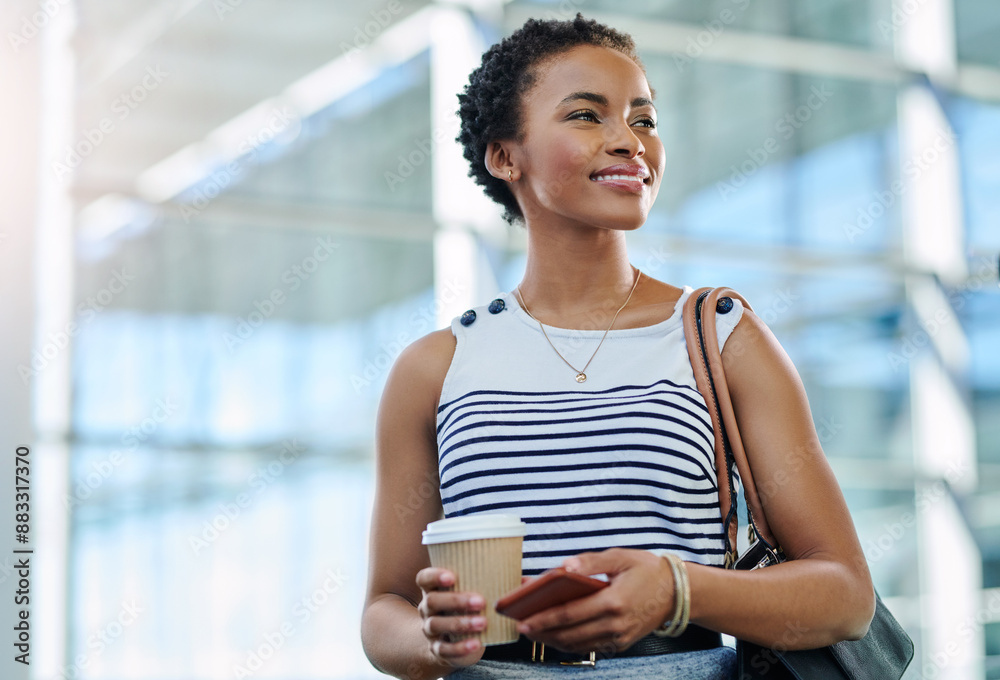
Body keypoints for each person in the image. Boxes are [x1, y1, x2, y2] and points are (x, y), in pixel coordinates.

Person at [361, 12, 875, 680]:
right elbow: (384, 609)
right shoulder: (435, 368)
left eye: (644, 119)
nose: (629, 141)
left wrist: (676, 587)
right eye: (585, 115)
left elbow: (846, 596)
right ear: (504, 155)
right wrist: (433, 640)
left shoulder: (721, 338)